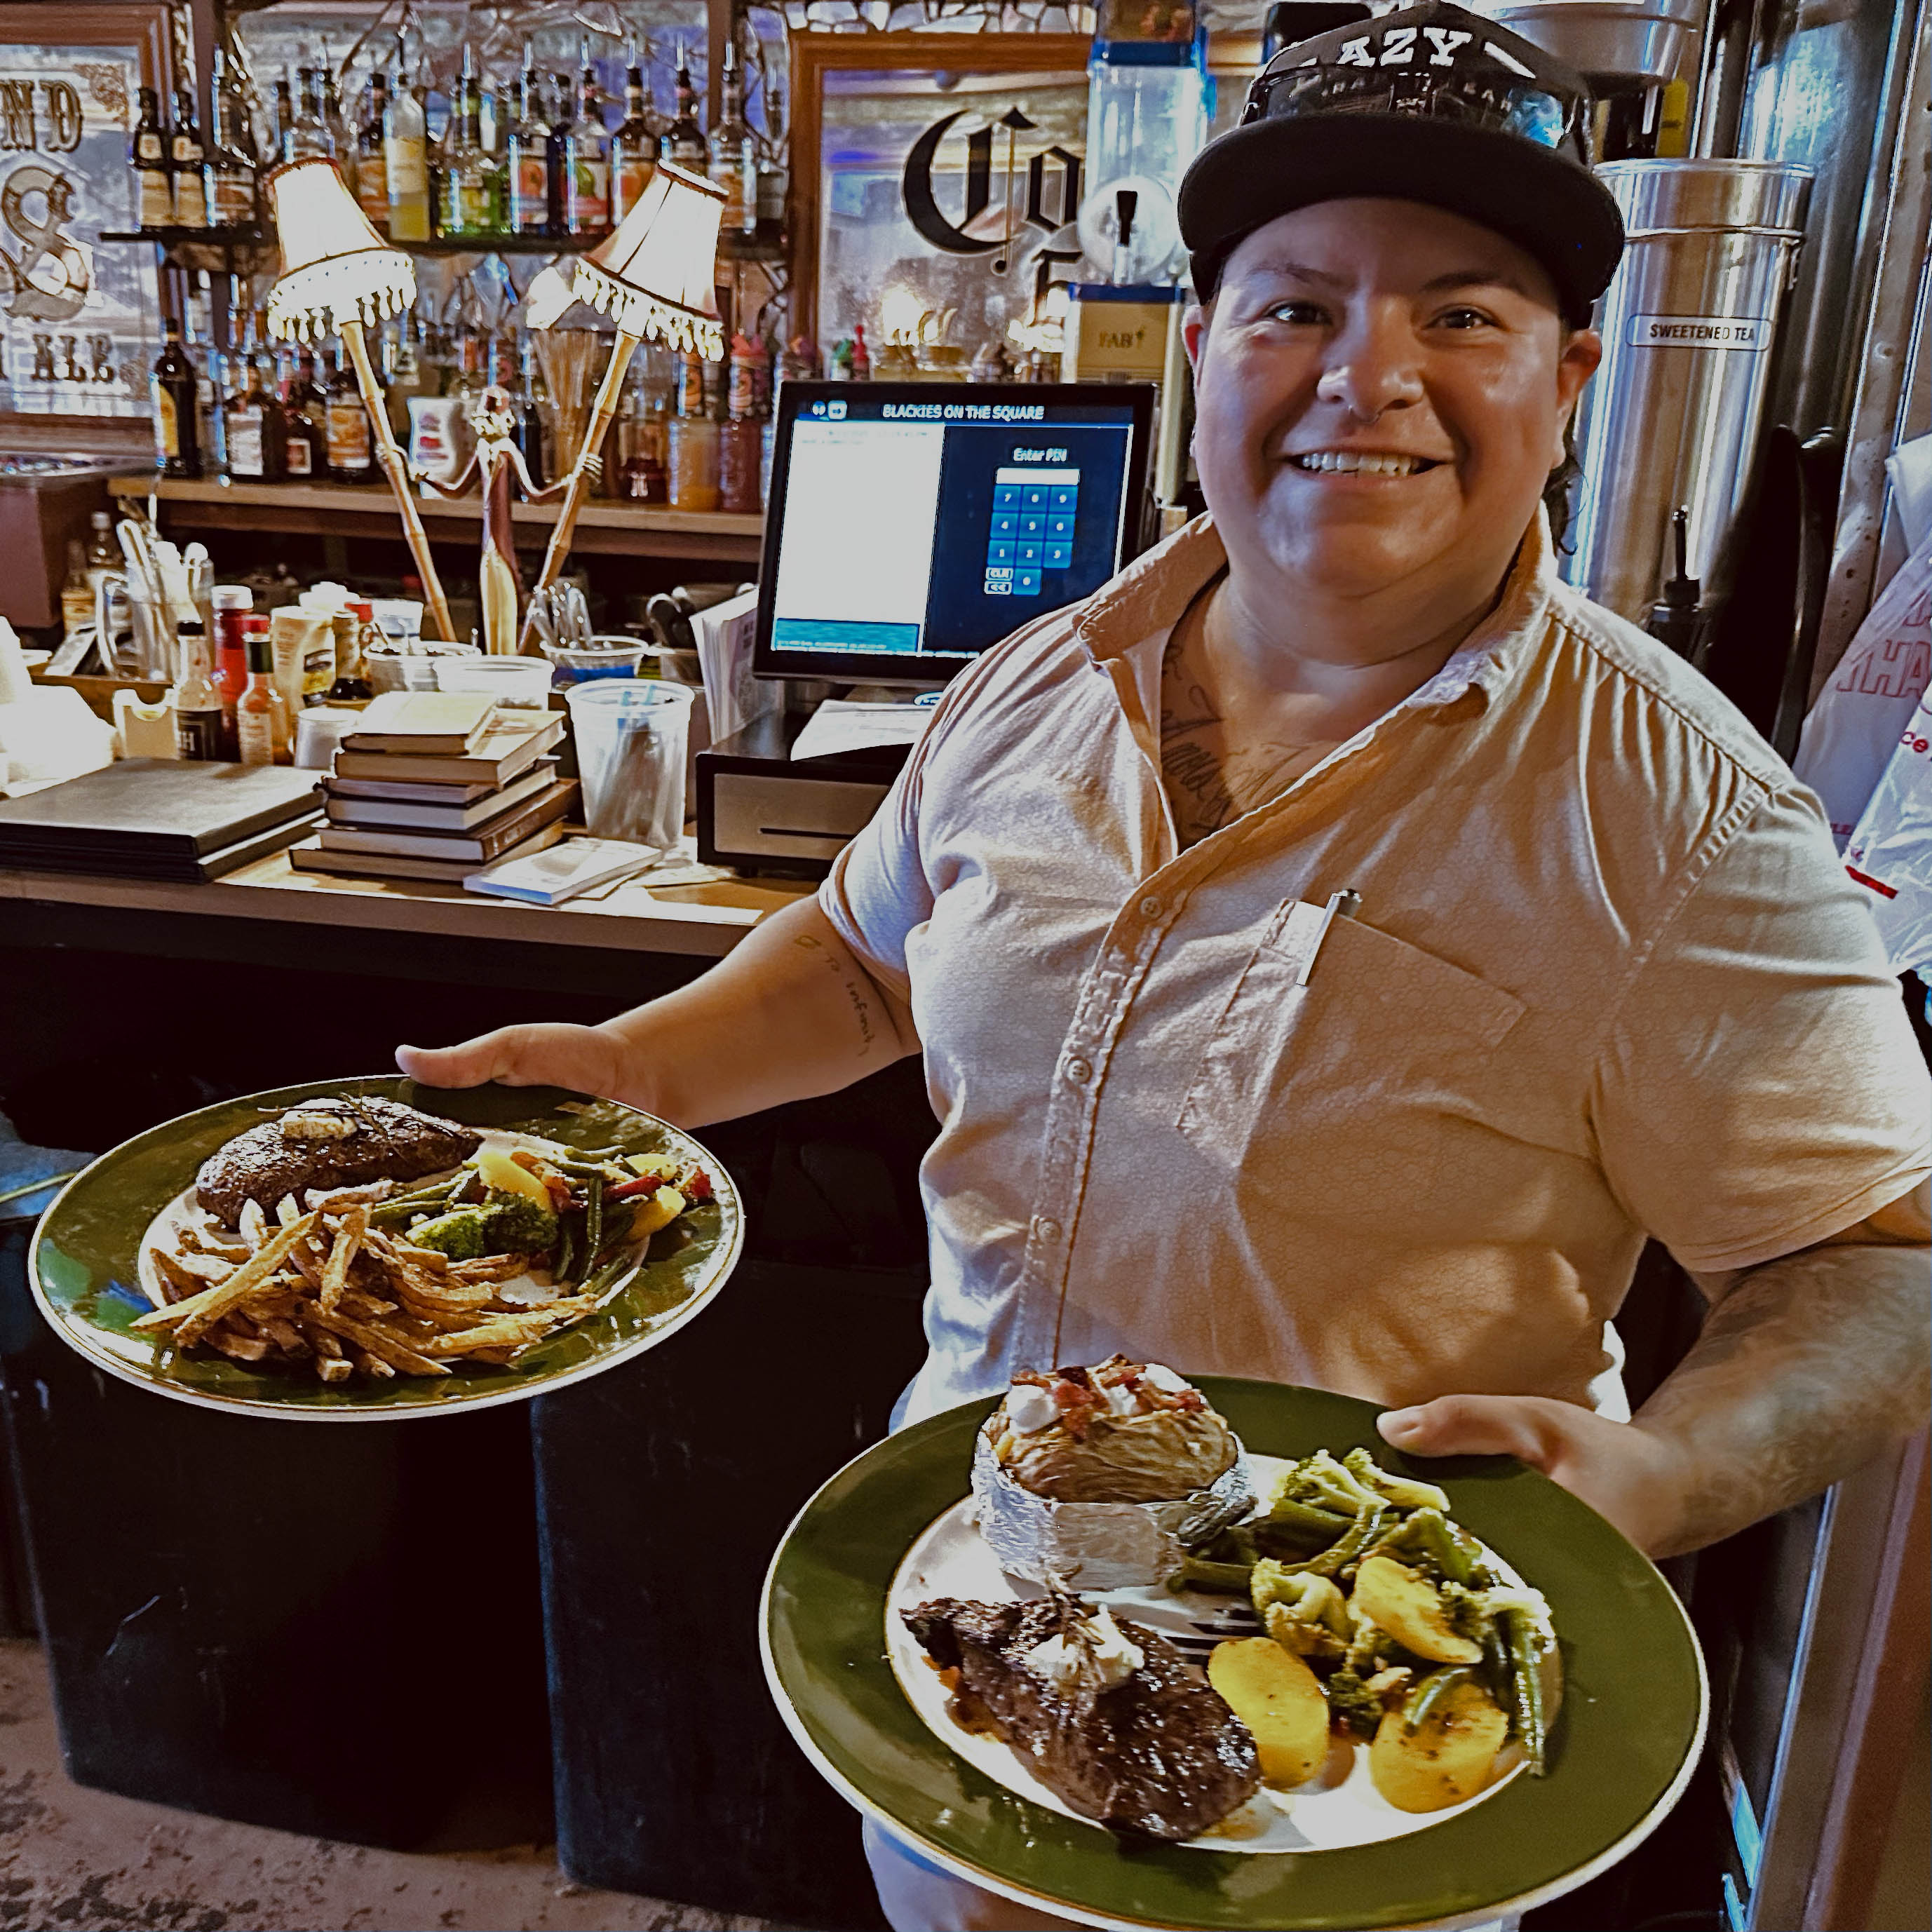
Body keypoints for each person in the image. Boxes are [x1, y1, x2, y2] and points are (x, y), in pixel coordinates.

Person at [400, 6, 1929, 1924]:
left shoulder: (1683, 816)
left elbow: (1869, 1275)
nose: (1364, 373)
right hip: (960, 1634)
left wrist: (1662, 1472)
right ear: (1202, 351)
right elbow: (870, 961)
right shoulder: (1040, 677)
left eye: (1460, 315)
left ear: (1572, 381)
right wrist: (637, 1074)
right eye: (1293, 306)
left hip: (1337, 1786)